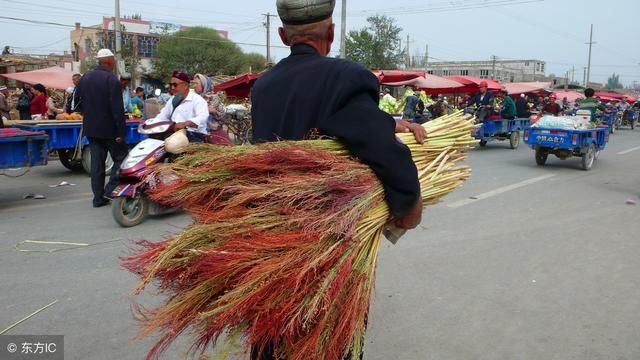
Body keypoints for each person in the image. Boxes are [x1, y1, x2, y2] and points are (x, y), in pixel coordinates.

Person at [251, 1, 424, 357]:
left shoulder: (264, 86)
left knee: (273, 327)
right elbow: (381, 150)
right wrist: (409, 205)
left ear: (284, 36)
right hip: (328, 238)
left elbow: (319, 121)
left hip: (269, 236)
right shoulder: (345, 76)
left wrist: (389, 122)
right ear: (330, 33)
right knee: (330, 335)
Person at [74, 48, 127, 208]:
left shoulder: (85, 77)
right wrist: (120, 132)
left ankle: (98, 199)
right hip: (110, 130)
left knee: (97, 164)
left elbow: (76, 101)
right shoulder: (111, 80)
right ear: (109, 62)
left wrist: (89, 114)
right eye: (114, 61)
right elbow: (117, 109)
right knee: (122, 158)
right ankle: (109, 190)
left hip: (91, 128)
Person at [149, 70, 209, 143]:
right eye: (171, 85)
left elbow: (203, 117)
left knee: (171, 145)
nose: (172, 88)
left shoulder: (198, 100)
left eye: (175, 85)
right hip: (173, 135)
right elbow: (162, 116)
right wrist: (153, 124)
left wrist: (186, 123)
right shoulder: (172, 100)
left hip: (193, 136)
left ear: (186, 85)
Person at [193, 73, 232, 144]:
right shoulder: (196, 98)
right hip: (200, 134)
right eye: (194, 83)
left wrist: (214, 112)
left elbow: (223, 116)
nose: (194, 86)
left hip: (214, 134)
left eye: (197, 83)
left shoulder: (213, 98)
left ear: (204, 85)